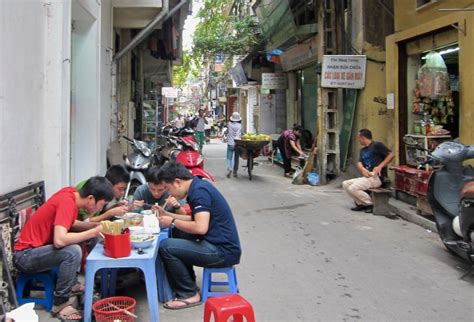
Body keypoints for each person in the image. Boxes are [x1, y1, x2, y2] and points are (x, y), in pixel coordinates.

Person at [13, 176, 113, 321]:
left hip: (37, 251)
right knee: (73, 251)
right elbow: (59, 240)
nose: (100, 208)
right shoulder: (67, 202)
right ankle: (60, 303)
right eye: (101, 204)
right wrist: (93, 232)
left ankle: (73, 284)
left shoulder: (71, 194)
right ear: (91, 198)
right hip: (25, 256)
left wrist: (96, 226)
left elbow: (71, 223)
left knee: (81, 237)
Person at [156, 162, 241, 310]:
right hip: (219, 245)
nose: (169, 194)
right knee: (179, 231)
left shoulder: (199, 192)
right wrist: (167, 215)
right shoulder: (197, 187)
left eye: (168, 189)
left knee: (166, 246)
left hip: (222, 251)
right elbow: (194, 219)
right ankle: (190, 284)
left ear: (177, 182)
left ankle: (189, 294)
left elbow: (200, 227)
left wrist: (172, 221)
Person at [342, 128, 394, 213]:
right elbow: (359, 162)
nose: (358, 140)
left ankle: (370, 204)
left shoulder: (377, 145)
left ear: (363, 137)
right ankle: (361, 203)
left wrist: (380, 166)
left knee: (353, 188)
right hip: (366, 176)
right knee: (345, 184)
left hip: (376, 177)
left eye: (359, 138)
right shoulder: (363, 150)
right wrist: (363, 170)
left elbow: (391, 155)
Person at [226, 111, 242, 178]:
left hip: (230, 143)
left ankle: (229, 168)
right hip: (237, 144)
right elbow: (238, 135)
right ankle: (235, 172)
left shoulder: (229, 124)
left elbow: (227, 131)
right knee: (236, 159)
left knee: (229, 158)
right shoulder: (239, 126)